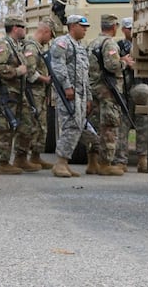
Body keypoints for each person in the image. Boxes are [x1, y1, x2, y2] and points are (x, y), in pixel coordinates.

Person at [49, 14, 98, 178]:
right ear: (72, 26)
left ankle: (65, 163)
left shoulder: (80, 46)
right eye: (82, 26)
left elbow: (85, 74)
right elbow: (58, 66)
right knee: (71, 126)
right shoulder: (62, 43)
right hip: (68, 94)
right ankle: (60, 163)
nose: (85, 29)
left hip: (81, 94)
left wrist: (89, 96)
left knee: (77, 127)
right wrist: (67, 87)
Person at [0, 15, 41, 174]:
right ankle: (3, 163)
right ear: (15, 28)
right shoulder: (3, 45)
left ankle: (21, 158)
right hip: (8, 94)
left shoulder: (17, 45)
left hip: (20, 93)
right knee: (5, 129)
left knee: (27, 125)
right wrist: (16, 71)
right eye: (23, 27)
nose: (25, 30)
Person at [87, 14, 132, 176]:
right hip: (108, 91)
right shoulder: (110, 43)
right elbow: (112, 65)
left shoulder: (92, 43)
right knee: (109, 126)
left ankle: (92, 162)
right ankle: (105, 164)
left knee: (94, 126)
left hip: (94, 90)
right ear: (114, 27)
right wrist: (124, 62)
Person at [116, 17, 148, 173]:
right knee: (122, 126)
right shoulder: (119, 46)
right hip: (125, 91)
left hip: (142, 89)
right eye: (129, 28)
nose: (132, 31)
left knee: (143, 125)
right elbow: (113, 63)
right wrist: (123, 60)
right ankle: (121, 161)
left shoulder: (144, 45)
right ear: (123, 30)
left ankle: (143, 160)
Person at [22, 20, 54, 169]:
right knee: (33, 124)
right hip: (32, 93)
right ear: (45, 31)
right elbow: (29, 72)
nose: (50, 39)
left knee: (41, 125)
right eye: (50, 35)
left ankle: (36, 156)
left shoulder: (38, 47)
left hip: (40, 93)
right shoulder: (31, 47)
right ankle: (25, 157)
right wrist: (45, 79)